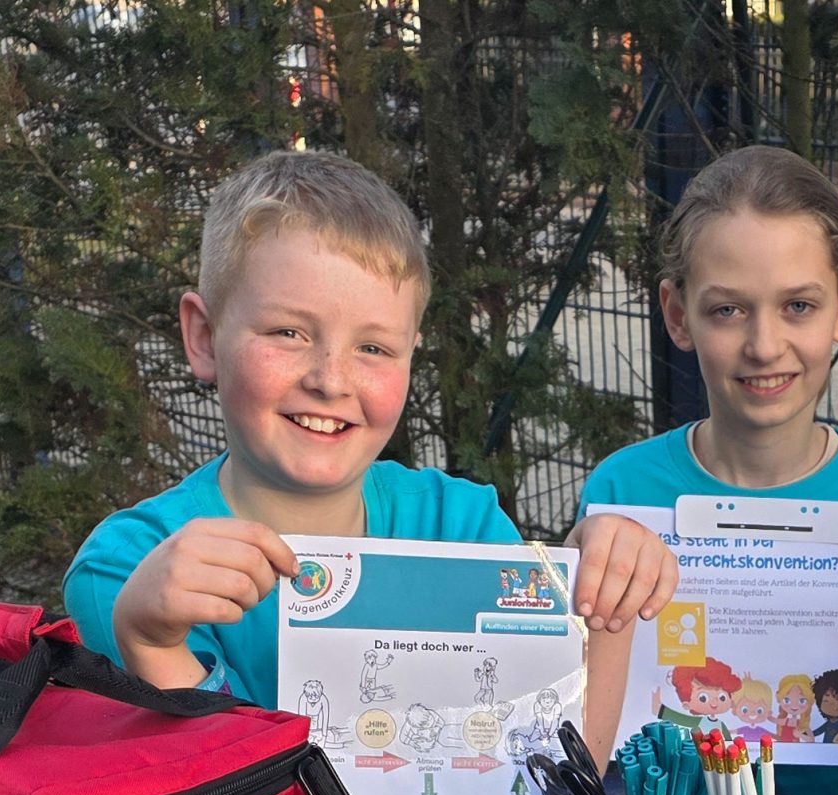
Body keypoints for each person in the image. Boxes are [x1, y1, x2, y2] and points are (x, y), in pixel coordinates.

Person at [63, 151, 675, 750]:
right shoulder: (129, 573)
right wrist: (152, 645)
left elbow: (562, 782)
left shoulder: (459, 526)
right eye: (288, 333)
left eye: (374, 349)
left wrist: (604, 602)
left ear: (412, 354)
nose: (331, 380)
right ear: (203, 337)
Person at [578, 144, 838, 795]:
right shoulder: (620, 493)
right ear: (677, 315)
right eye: (729, 310)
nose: (764, 345)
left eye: (797, 305)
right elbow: (577, 720)